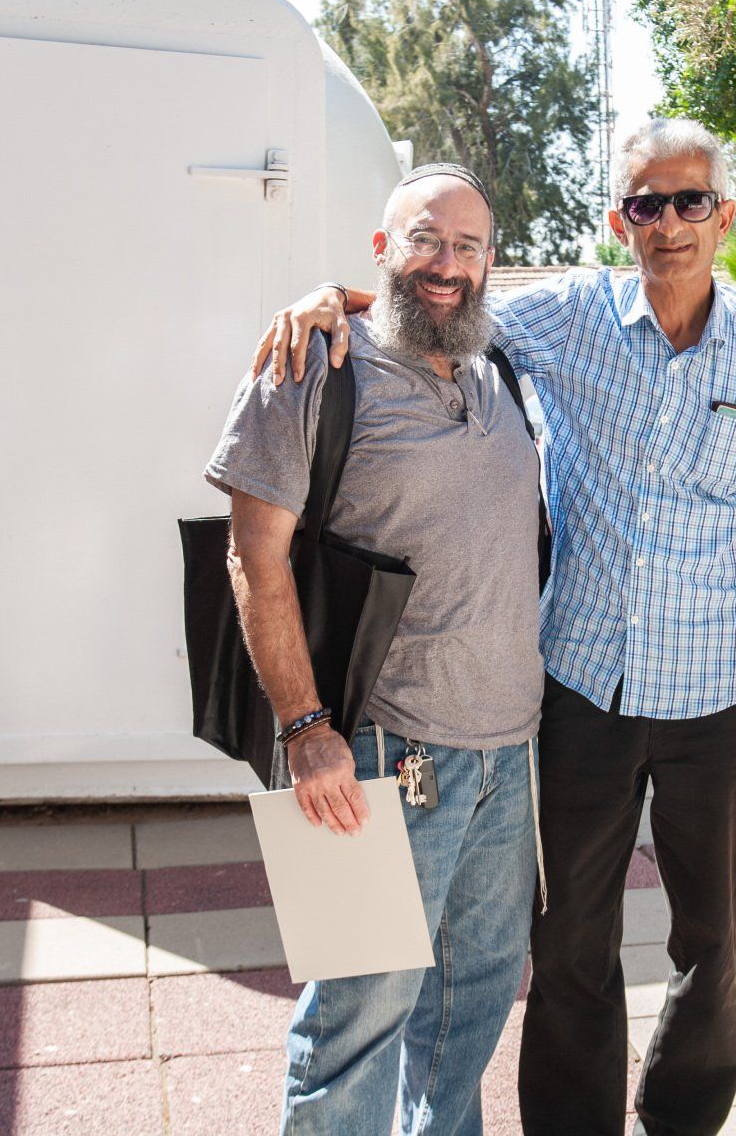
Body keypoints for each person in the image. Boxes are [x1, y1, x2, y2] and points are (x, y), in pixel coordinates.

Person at [259, 119, 736, 1134]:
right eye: (646, 204)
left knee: (710, 938)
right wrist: (332, 296)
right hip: (577, 689)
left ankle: (682, 1119)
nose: (669, 221)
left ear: (723, 214)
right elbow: (437, 302)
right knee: (562, 944)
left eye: (690, 200)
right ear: (621, 222)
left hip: (719, 692)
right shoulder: (565, 317)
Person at [206, 163, 543, 1136]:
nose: (447, 264)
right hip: (369, 762)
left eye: (468, 246)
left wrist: (343, 294)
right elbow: (252, 557)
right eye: (425, 240)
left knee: (465, 1023)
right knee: (352, 1026)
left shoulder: (496, 364)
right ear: (381, 248)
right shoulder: (312, 364)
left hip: (506, 764)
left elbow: (435, 302)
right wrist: (306, 731)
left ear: (490, 261)